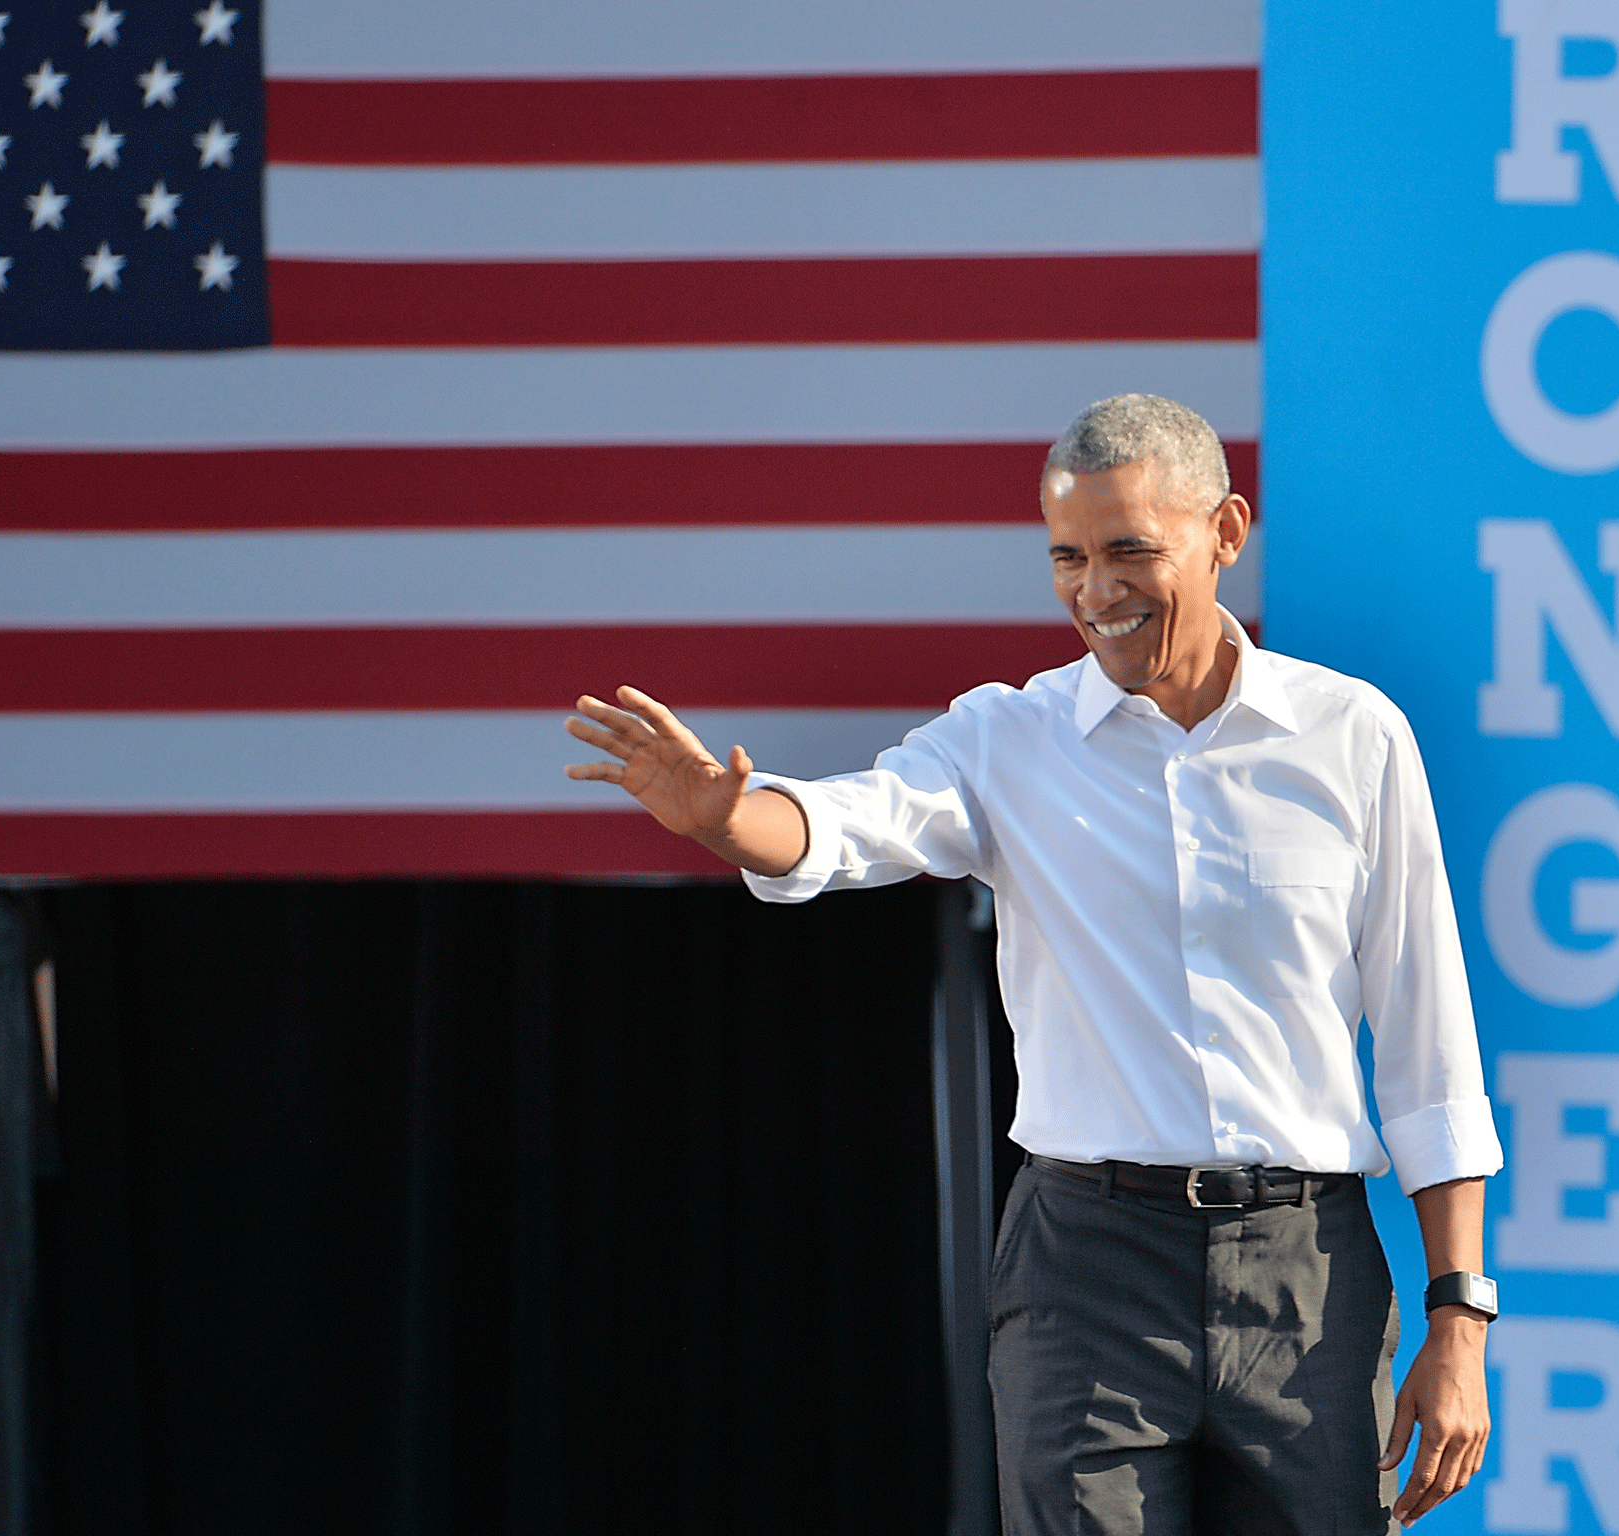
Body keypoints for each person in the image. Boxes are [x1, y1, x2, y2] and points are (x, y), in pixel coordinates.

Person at [563, 394, 1503, 1535]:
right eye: (1065, 556)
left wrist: (1458, 1317)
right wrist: (730, 819)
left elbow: (1426, 1048)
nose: (1093, 592)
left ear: (1225, 532)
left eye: (1127, 552)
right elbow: (852, 823)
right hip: (1087, 1267)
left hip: (1303, 1275)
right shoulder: (1007, 738)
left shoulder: (1354, 736)